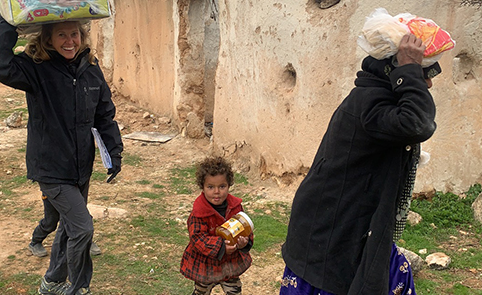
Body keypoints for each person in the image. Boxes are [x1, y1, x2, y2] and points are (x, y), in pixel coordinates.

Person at [280, 33, 442, 295]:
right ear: (396, 69)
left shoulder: (377, 98)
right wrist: (409, 68)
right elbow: (418, 123)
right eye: (423, 73)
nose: (429, 84)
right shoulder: (371, 102)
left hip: (353, 226)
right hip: (332, 232)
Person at [0, 13, 123, 295]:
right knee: (82, 228)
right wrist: (7, 25)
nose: (69, 41)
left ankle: (52, 283)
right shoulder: (36, 69)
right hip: (51, 167)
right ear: (48, 39)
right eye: (61, 35)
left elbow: (104, 115)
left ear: (82, 37)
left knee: (69, 228)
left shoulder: (90, 70)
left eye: (74, 34)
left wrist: (113, 153)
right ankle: (78, 288)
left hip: (81, 165)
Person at [180, 157, 253, 295]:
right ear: (203, 187)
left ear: (229, 185)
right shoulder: (199, 211)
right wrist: (221, 246)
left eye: (222, 186)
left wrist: (244, 242)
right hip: (206, 264)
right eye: (210, 187)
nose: (217, 192)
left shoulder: (235, 207)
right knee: (201, 291)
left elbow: (245, 227)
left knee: (234, 291)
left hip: (229, 264)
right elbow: (197, 238)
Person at [28, 192, 102, 258]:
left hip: (75, 186)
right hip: (53, 188)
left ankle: (86, 242)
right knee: (50, 222)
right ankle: (35, 241)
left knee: (80, 218)